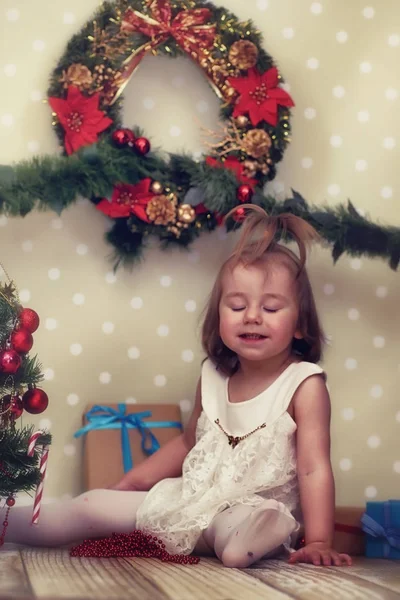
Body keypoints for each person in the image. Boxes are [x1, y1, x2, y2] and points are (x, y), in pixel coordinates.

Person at [5, 206, 352, 568]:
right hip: (187, 499)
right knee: (90, 505)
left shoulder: (303, 385)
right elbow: (189, 443)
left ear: (300, 324)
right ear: (219, 316)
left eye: (270, 307)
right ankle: (6, 521)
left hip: (248, 506)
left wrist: (318, 539)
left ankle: (256, 533)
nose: (252, 316)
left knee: (239, 526)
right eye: (237, 305)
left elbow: (314, 468)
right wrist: (133, 482)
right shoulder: (213, 377)